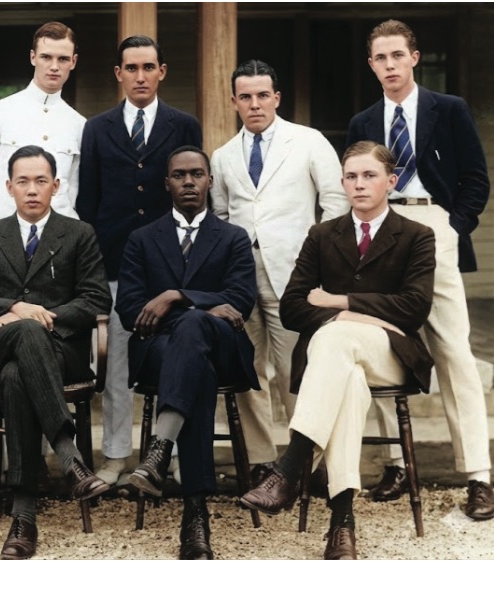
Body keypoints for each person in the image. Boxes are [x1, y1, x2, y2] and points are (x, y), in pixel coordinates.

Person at [241, 141, 436, 559]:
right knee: (346, 377)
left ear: (391, 181)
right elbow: (292, 307)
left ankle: (291, 467)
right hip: (338, 356)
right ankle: (341, 524)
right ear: (342, 183)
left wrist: (339, 302)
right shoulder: (322, 235)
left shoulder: (416, 236)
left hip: (390, 356)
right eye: (351, 176)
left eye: (369, 175)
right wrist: (360, 316)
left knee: (334, 338)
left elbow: (414, 308)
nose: (359, 184)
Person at [347, 19, 492, 518]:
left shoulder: (447, 109)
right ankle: (396, 464)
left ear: (414, 57)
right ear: (371, 64)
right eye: (380, 58)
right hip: (382, 227)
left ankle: (479, 474)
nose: (389, 65)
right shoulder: (364, 121)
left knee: (453, 349)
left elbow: (475, 178)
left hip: (434, 223)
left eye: (397, 55)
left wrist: (453, 226)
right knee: (383, 342)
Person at [0, 145, 113, 559]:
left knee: (16, 375)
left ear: (56, 186)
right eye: (22, 181)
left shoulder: (79, 234)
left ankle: (23, 517)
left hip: (59, 352)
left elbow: (97, 299)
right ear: (8, 187)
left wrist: (44, 318)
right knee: (21, 335)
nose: (31, 189)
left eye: (41, 180)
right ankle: (69, 455)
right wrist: (13, 308)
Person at [116, 146, 258, 559]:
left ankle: (160, 450)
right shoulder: (142, 239)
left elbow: (241, 302)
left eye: (197, 174)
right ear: (167, 184)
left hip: (223, 348)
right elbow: (130, 310)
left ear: (210, 180)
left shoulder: (232, 237)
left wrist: (174, 297)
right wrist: (203, 307)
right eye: (179, 175)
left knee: (195, 333)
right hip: (159, 353)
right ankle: (195, 514)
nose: (189, 181)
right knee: (197, 365)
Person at [209, 60, 348, 480]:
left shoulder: (307, 141)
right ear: (234, 101)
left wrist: (319, 262)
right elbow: (221, 215)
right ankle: (260, 460)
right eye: (246, 97)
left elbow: (335, 202)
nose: (255, 104)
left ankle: (307, 461)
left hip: (294, 274)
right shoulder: (223, 156)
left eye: (262, 95)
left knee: (295, 369)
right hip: (241, 278)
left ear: (277, 98)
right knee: (247, 368)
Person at [78, 35, 203, 485]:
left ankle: (171, 456)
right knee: (115, 366)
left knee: (177, 360)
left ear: (162, 72)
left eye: (148, 67)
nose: (140, 76)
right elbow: (87, 203)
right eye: (131, 68)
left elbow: (193, 195)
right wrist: (93, 268)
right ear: (119, 74)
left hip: (171, 265)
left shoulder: (183, 124)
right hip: (114, 264)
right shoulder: (98, 129)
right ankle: (115, 457)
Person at [0, 21, 85, 244]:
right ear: (33, 57)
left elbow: (73, 194)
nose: (54, 66)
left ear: (73, 62)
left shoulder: (79, 124)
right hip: (3, 242)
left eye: (63, 59)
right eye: (46, 57)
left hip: (58, 244)